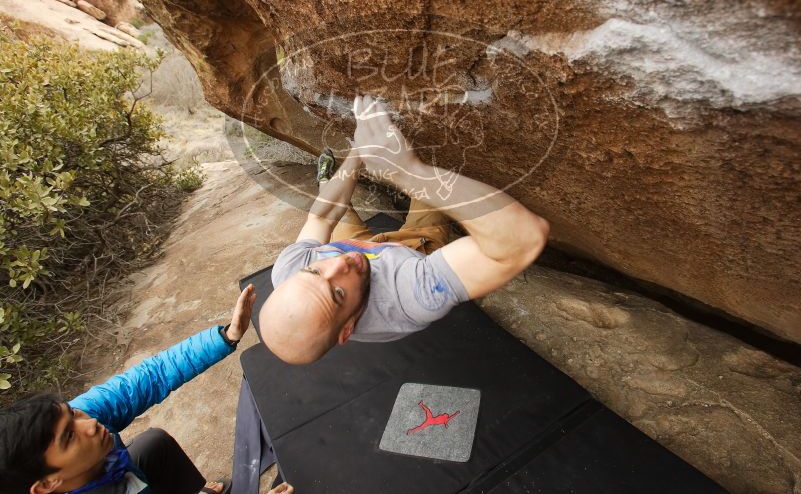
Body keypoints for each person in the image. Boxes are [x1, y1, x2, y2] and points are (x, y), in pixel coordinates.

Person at [260, 94, 550, 364]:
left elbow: (321, 218)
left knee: (333, 206)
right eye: (337, 293)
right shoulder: (408, 298)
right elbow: (523, 239)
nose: (337, 264)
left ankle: (325, 179)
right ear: (347, 329)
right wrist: (408, 172)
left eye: (315, 271)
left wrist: (359, 149)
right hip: (412, 252)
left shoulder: (291, 271)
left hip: (365, 247)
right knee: (436, 182)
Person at [0, 284, 295, 494]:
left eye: (72, 413)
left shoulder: (86, 416)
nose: (88, 423)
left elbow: (151, 375)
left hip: (121, 475)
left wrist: (227, 336)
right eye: (69, 436)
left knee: (154, 445)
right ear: (47, 484)